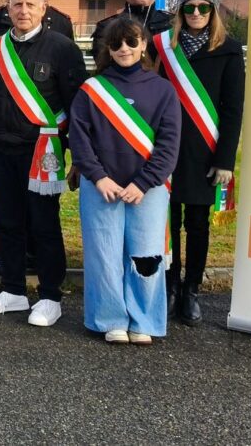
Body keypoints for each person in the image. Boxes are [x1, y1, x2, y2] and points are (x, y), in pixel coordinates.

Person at [0, 0, 87, 326]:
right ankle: (13, 290)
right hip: (1, 150)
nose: (23, 11)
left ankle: (50, 296)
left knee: (43, 223)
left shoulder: (63, 48)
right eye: (17, 5)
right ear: (8, 9)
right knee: (7, 221)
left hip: (42, 151)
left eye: (30, 5)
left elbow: (77, 107)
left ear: (43, 9)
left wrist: (78, 155)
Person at [69, 18, 181, 345]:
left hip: (147, 189)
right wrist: (98, 177)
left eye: (132, 42)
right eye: (117, 43)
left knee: (146, 256)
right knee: (103, 255)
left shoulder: (163, 90)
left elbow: (169, 144)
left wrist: (144, 183)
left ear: (144, 45)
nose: (124, 49)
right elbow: (79, 139)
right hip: (101, 187)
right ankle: (110, 319)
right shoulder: (92, 89)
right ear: (108, 48)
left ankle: (143, 320)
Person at [0, 0, 72, 279]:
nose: (24, 9)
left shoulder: (62, 29)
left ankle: (49, 286)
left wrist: (69, 145)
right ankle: (9, 273)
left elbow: (70, 95)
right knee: (7, 213)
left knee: (44, 217)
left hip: (43, 143)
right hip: (3, 141)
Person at [155, 0, 245, 325]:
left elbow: (232, 109)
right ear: (180, 10)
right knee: (167, 221)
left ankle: (191, 290)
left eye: (203, 6)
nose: (195, 12)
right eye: (189, 6)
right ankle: (169, 286)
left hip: (204, 151)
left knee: (197, 223)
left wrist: (225, 160)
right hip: (166, 147)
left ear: (213, 10)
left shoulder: (229, 50)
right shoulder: (164, 46)